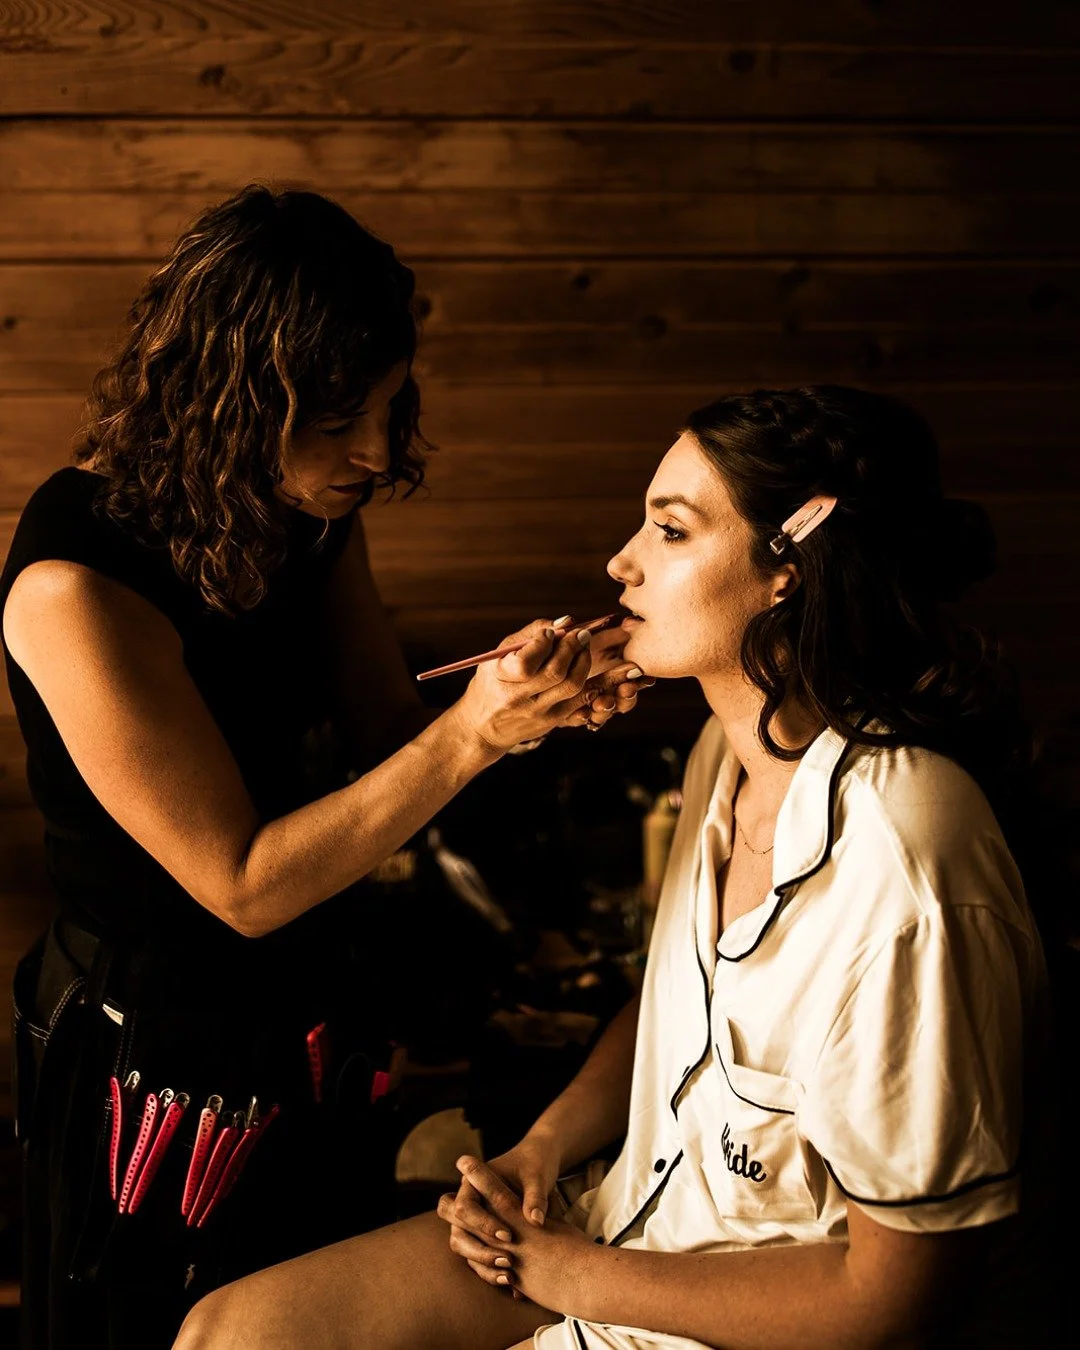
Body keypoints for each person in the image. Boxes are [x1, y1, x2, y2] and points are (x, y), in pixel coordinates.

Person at [174, 386, 1060, 1350]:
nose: (620, 562)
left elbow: (893, 1302)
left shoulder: (905, 861)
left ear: (788, 573)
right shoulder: (726, 759)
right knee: (229, 1332)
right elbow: (689, 1002)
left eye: (670, 532)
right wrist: (540, 1151)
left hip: (738, 1311)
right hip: (624, 1217)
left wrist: (568, 1272)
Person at [0, 184, 648, 1350]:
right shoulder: (75, 587)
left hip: (307, 1020)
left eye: (392, 405)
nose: (376, 451)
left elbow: (387, 741)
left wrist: (533, 702)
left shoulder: (303, 508)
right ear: (226, 400)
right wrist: (472, 737)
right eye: (337, 416)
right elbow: (243, 883)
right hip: (150, 1052)